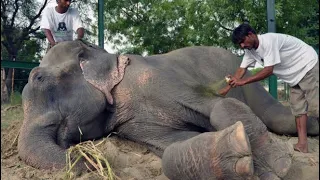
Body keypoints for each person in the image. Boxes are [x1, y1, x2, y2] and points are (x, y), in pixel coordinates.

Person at [219, 23, 319, 153]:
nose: (242, 46)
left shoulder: (269, 41)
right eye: (239, 44)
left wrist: (243, 82)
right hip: (293, 76)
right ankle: (302, 145)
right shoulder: (250, 51)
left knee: (316, 106)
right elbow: (241, 69)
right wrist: (228, 88)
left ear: (250, 34)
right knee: (298, 109)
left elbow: (268, 70)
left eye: (243, 41)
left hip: (307, 65)